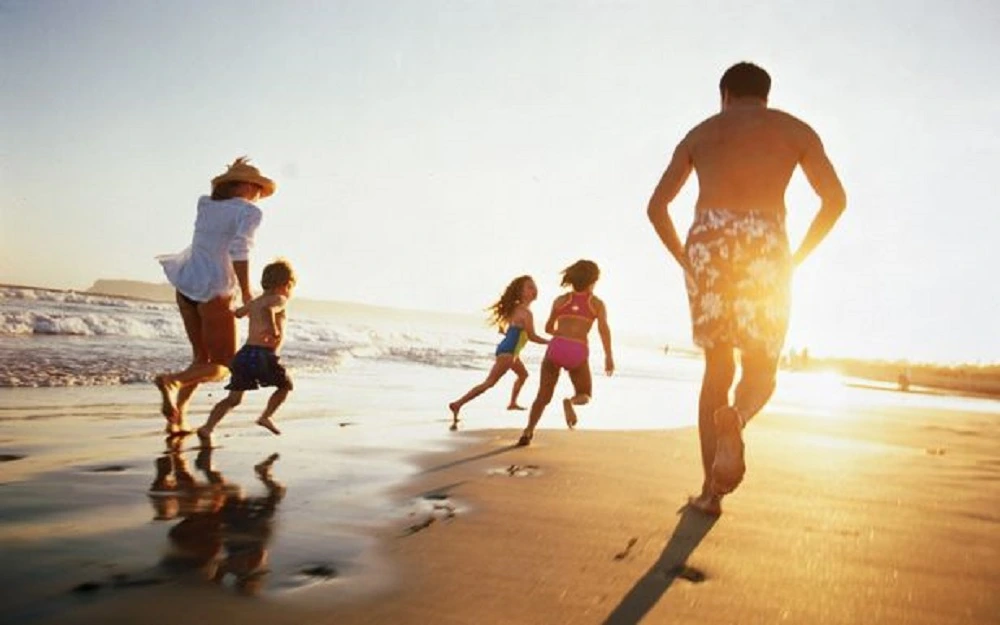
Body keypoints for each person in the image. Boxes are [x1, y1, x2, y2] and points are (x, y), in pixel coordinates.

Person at [646, 62, 846, 515]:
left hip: (708, 240)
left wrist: (685, 257)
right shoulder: (796, 131)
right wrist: (796, 258)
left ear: (725, 95)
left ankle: (708, 494)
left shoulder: (700, 133)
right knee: (762, 368)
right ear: (766, 95)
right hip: (765, 241)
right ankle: (738, 418)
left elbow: (657, 206)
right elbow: (835, 200)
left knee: (717, 368)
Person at [154, 157, 277, 436]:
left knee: (201, 360)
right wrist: (246, 292)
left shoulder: (205, 203)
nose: (259, 194)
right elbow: (239, 250)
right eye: (257, 187)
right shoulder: (249, 213)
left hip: (186, 282)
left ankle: (177, 418)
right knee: (223, 366)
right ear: (246, 185)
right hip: (215, 288)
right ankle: (171, 382)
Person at [196, 259, 296, 446]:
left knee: (233, 399)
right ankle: (266, 417)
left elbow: (238, 313)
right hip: (263, 355)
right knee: (285, 386)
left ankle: (207, 427)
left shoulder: (255, 302)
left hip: (244, 355)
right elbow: (269, 310)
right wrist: (273, 328)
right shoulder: (278, 299)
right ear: (286, 284)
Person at [517, 260, 614, 446]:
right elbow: (604, 330)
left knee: (542, 397)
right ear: (592, 281)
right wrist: (608, 356)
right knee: (585, 394)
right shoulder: (597, 304)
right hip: (577, 351)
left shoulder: (560, 300)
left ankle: (528, 432)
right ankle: (570, 401)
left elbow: (547, 327)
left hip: (556, 348)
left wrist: (561, 335)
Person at [449, 275, 548, 430]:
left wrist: (508, 332)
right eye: (529, 287)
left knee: (523, 375)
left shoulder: (515, 309)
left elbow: (507, 329)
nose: (534, 289)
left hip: (508, 351)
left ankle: (512, 403)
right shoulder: (525, 313)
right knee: (489, 383)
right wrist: (551, 342)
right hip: (508, 353)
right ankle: (458, 403)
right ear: (521, 292)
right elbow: (532, 336)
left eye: (534, 286)